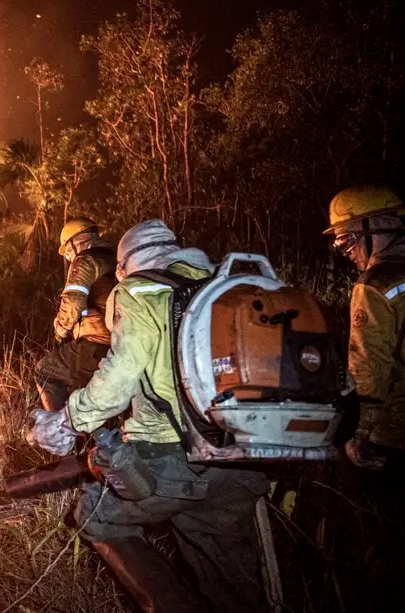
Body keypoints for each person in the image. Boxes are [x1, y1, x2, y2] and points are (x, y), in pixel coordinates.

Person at [27, 219, 268, 613]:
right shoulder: (223, 289)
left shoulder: (139, 291)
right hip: (243, 459)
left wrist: (68, 421)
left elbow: (119, 376)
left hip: (175, 459)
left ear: (124, 266)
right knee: (223, 573)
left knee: (95, 516)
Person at [324, 185, 405, 610]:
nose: (347, 251)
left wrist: (358, 436)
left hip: (391, 437)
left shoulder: (376, 285)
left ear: (377, 227)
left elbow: (368, 369)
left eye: (348, 238)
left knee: (379, 536)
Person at [32, 217, 116, 413]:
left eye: (68, 251)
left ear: (76, 242)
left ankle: (59, 435)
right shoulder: (115, 257)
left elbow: (73, 301)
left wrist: (61, 330)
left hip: (99, 344)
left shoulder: (85, 259)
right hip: (123, 343)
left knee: (45, 371)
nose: (69, 257)